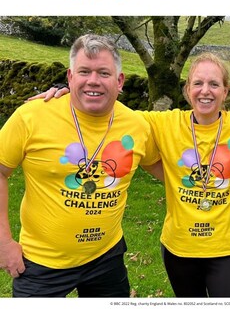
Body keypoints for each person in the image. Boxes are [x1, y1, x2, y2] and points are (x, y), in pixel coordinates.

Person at [30, 52, 230, 298]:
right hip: (178, 249)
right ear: (187, 88)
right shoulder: (165, 123)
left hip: (226, 250)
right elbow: (113, 111)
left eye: (214, 84)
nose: (205, 91)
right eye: (198, 83)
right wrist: (70, 92)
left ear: (226, 91)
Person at [0, 34, 161, 297]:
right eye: (84, 71)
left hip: (106, 257)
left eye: (104, 73)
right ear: (70, 77)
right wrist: (3, 242)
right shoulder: (32, 116)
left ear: (120, 81)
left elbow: (166, 168)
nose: (93, 81)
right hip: (42, 263)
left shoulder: (137, 126)